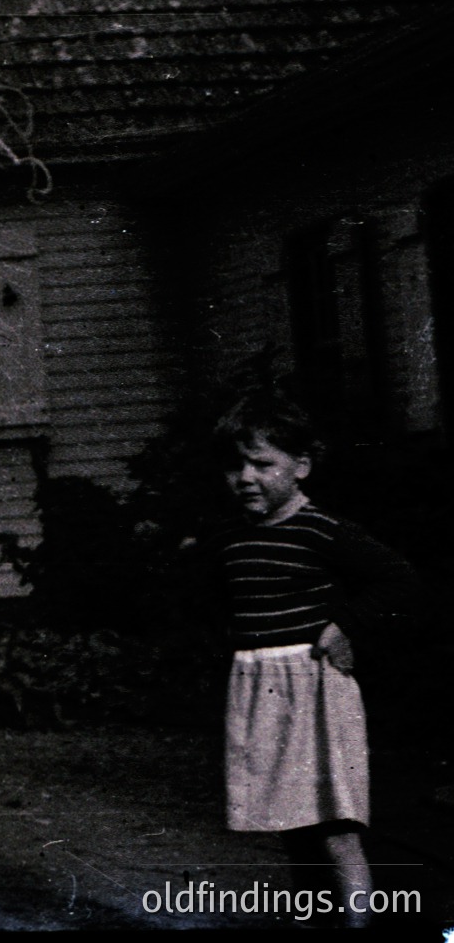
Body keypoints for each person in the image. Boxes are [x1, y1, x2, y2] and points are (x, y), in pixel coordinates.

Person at [205, 390, 422, 928]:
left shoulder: (322, 529)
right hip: (260, 689)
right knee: (289, 820)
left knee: (333, 823)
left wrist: (345, 627)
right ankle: (318, 918)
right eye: (235, 465)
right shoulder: (231, 538)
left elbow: (399, 580)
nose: (246, 477)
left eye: (262, 463)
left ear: (301, 467)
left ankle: (358, 923)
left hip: (313, 689)